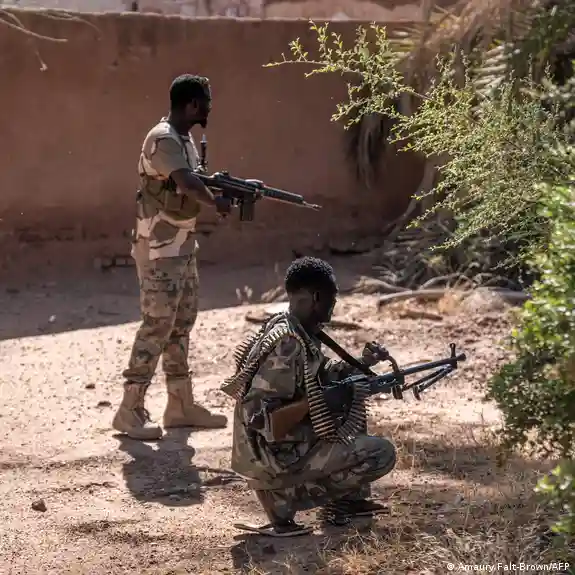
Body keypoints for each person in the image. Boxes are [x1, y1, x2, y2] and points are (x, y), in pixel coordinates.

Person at [224, 256, 397, 536]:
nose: (333, 305)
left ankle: (346, 503)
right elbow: (261, 419)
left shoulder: (297, 331)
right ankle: (285, 499)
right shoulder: (287, 343)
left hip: (277, 453)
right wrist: (319, 402)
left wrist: (361, 365)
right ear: (316, 297)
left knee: (349, 402)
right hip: (273, 461)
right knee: (381, 453)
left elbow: (321, 376)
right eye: (331, 299)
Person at [112, 74, 230, 441]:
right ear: (192, 104)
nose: (209, 108)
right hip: (159, 249)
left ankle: (180, 405)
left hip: (181, 246)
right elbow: (188, 184)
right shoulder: (162, 139)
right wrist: (216, 201)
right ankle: (129, 410)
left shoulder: (184, 140)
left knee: (181, 323)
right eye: (206, 102)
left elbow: (195, 179)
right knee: (157, 325)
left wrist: (231, 187)